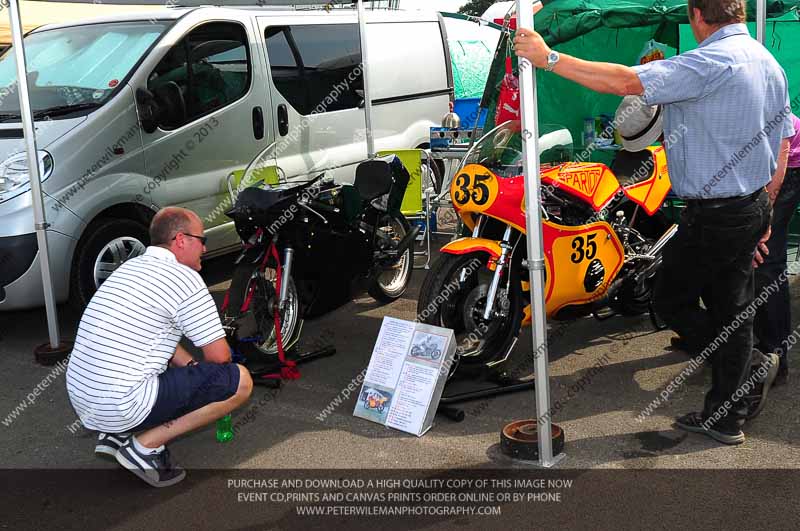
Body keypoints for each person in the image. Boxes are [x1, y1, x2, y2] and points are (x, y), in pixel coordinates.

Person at [514, 0, 795, 445]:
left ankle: (744, 369)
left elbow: (625, 81)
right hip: (750, 203)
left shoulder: (708, 61)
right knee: (732, 309)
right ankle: (729, 411)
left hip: (716, 213)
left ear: (698, 17)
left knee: (670, 302)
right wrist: (767, 208)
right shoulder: (768, 62)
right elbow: (782, 140)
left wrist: (549, 57)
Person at [66, 207, 253, 487]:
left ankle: (116, 434)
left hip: (84, 397)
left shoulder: (129, 267)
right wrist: (201, 380)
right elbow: (219, 357)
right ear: (180, 240)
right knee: (239, 381)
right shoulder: (185, 279)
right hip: (122, 402)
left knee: (154, 356)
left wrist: (191, 369)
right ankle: (145, 448)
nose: (204, 247)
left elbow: (155, 338)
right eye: (201, 240)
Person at [753, 114, 800, 387]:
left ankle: (774, 357)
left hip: (784, 167)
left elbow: (779, 157)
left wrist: (765, 216)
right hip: (772, 162)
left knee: (767, 261)